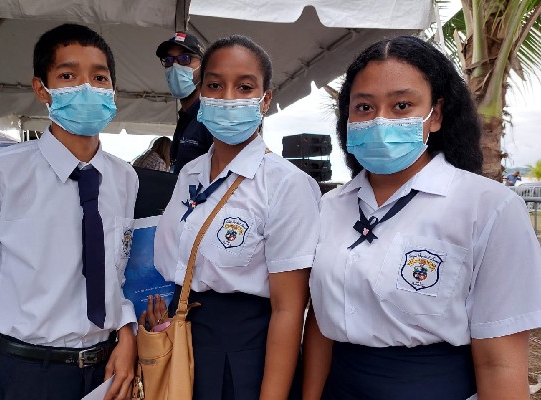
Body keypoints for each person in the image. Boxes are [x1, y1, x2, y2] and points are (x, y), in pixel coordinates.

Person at [302, 35, 541, 400]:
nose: (381, 121)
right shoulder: (331, 206)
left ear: (437, 115)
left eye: (401, 105)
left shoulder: (489, 207)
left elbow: (501, 364)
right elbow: (321, 323)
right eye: (364, 108)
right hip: (341, 387)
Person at [0, 23, 138, 400]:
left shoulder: (124, 179)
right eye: (68, 75)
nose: (87, 88)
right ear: (42, 88)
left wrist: (126, 332)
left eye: (100, 77)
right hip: (28, 374)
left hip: (106, 371)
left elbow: (113, 277)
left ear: (113, 91)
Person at [153, 35, 321, 400]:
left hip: (246, 355)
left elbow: (290, 309)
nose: (228, 97)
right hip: (183, 339)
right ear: (201, 93)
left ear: (265, 99)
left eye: (244, 87)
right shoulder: (191, 173)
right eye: (215, 85)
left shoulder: (286, 184)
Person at [156, 32, 213, 173]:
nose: (175, 67)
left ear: (204, 67)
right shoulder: (185, 117)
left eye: (184, 58)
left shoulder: (211, 118)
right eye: (168, 60)